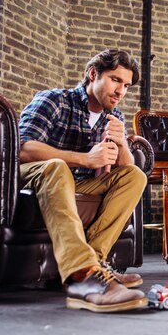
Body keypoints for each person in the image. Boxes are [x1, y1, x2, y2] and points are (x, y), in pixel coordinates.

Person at [18, 49, 149, 312]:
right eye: (115, 80)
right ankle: (81, 276)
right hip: (33, 177)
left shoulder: (115, 117)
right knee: (57, 168)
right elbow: (22, 148)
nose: (121, 91)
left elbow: (124, 169)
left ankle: (95, 266)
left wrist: (122, 142)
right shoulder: (54, 100)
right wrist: (85, 159)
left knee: (135, 175)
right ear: (93, 74)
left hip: (76, 184)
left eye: (126, 85)